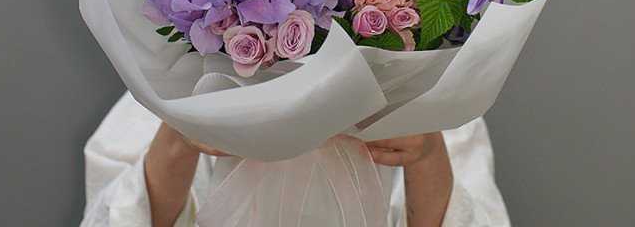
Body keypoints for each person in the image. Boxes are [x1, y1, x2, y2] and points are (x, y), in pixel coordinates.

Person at [80, 92, 511, 226]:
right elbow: (119, 217)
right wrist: (180, 131)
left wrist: (427, 154)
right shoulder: (180, 83)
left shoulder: (428, 94)